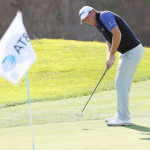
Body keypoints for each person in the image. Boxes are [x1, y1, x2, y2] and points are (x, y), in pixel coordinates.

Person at [79, 6, 144, 126]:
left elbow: (117, 34)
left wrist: (113, 55)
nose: (87, 20)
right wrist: (108, 57)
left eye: (87, 17)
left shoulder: (104, 16)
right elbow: (108, 41)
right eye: (84, 20)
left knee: (121, 82)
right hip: (126, 52)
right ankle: (121, 114)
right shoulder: (98, 24)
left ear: (92, 11)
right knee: (120, 83)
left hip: (132, 51)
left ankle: (124, 118)